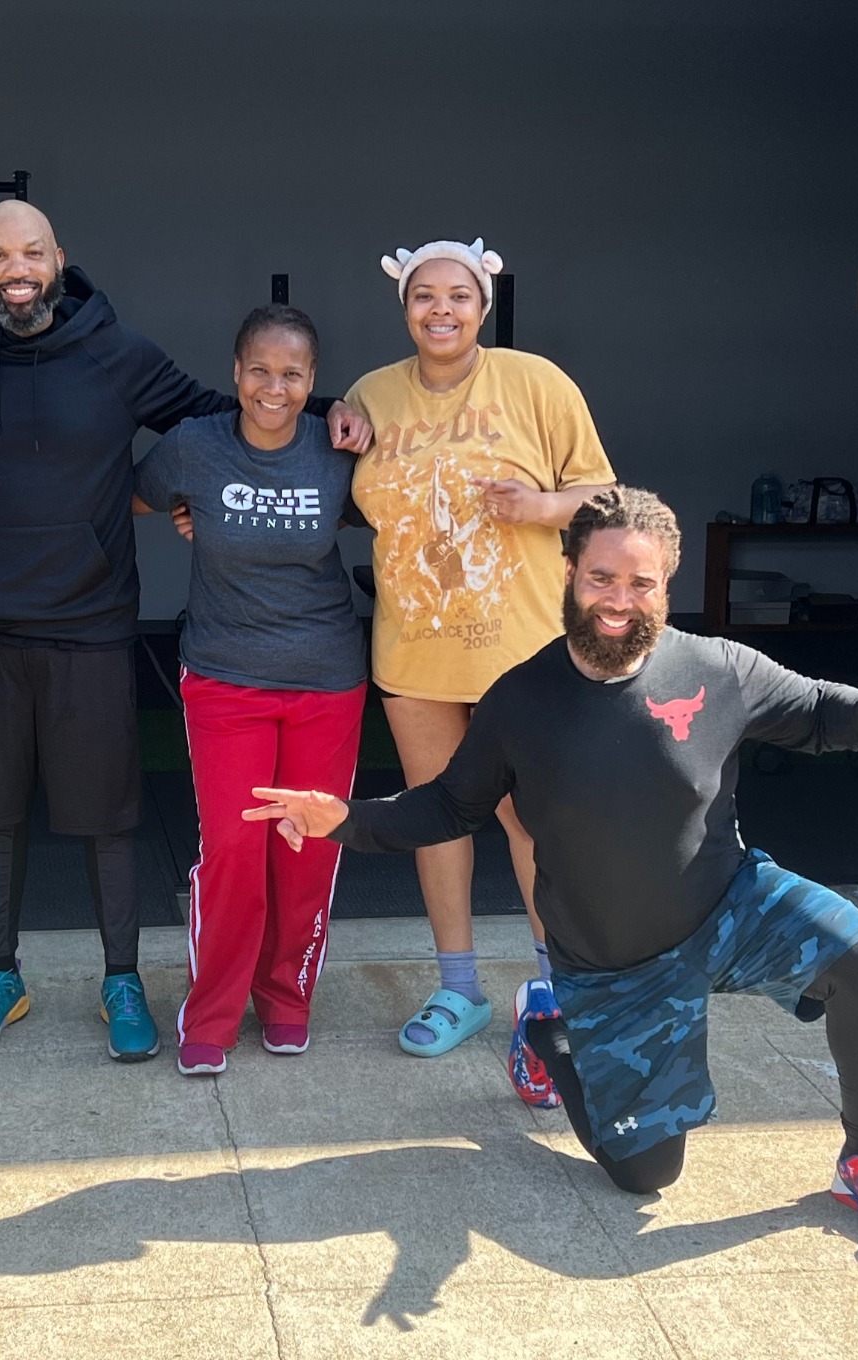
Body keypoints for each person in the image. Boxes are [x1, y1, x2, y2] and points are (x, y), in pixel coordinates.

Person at [244, 486, 858, 1233]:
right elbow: (449, 806)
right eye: (601, 578)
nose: (619, 599)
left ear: (664, 587)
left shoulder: (715, 669)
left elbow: (817, 712)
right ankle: (552, 1032)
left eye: (639, 582)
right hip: (613, 966)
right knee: (644, 1177)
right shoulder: (521, 700)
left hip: (726, 909)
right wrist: (346, 821)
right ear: (567, 574)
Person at [0, 200, 370, 1063]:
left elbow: (234, 411)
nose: (16, 267)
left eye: (31, 251)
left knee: (109, 818)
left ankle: (121, 979)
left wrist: (340, 414)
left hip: (95, 624)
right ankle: (0, 975)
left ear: (59, 257)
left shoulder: (119, 353)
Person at [341, 238, 614, 1096]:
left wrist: (540, 506)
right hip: (413, 649)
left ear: (482, 304)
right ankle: (457, 989)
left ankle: (553, 991)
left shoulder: (536, 383)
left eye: (457, 295)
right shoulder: (369, 395)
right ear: (404, 304)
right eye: (424, 295)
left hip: (521, 652)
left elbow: (604, 494)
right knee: (435, 819)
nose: (441, 310)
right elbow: (314, 465)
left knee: (531, 826)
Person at [132, 305, 366, 1077]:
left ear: (311, 382)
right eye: (259, 371)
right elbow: (137, 496)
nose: (274, 387)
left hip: (326, 677)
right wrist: (177, 509)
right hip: (225, 676)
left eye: (292, 374)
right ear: (234, 374)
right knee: (234, 850)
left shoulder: (335, 449)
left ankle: (287, 996)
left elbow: (400, 508)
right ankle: (213, 1011)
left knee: (304, 850)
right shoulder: (194, 447)